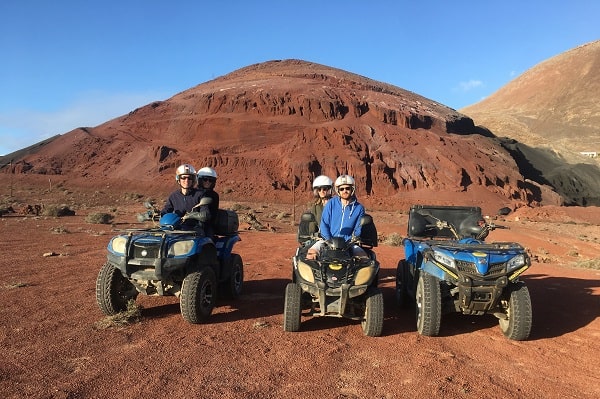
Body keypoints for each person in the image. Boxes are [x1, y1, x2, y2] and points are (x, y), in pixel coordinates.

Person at [306, 174, 367, 260]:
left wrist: (353, 239)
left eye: (347, 188)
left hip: (348, 243)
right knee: (311, 254)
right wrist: (329, 239)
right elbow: (324, 223)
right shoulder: (331, 203)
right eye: (341, 189)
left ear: (352, 189)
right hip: (327, 241)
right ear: (338, 190)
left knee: (363, 258)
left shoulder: (359, 208)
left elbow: (358, 227)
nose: (344, 191)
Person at [161, 164, 209, 228]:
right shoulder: (174, 196)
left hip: (195, 230)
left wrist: (192, 215)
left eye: (190, 178)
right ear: (178, 180)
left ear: (193, 180)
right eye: (183, 178)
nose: (186, 181)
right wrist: (157, 214)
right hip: (177, 229)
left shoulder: (200, 195)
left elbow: (205, 214)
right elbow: (166, 211)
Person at [197, 166, 220, 234]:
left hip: (206, 226)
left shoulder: (214, 195)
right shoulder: (193, 192)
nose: (208, 182)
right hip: (190, 224)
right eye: (205, 179)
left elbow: (212, 215)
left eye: (211, 180)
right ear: (199, 180)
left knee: (208, 241)